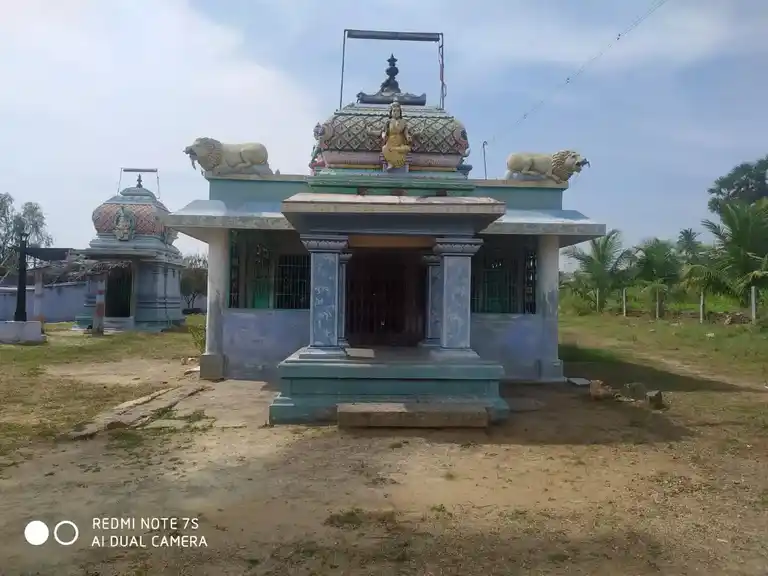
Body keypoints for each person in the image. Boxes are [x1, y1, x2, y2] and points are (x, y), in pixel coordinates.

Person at [381, 101, 412, 170]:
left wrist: (408, 137)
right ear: (391, 112)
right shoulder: (388, 121)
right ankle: (390, 163)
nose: (396, 112)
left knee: (407, 149)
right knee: (385, 149)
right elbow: (383, 131)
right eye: (394, 111)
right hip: (390, 142)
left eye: (398, 111)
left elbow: (406, 133)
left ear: (400, 112)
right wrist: (383, 135)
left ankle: (397, 160)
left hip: (400, 142)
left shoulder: (403, 122)